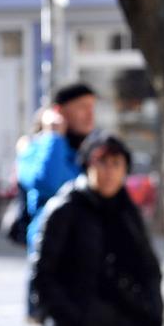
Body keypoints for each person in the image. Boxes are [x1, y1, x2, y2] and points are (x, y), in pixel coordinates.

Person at [28, 133, 162, 326]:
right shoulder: (65, 209)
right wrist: (74, 318)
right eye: (101, 162)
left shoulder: (129, 212)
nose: (108, 171)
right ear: (87, 165)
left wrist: (149, 313)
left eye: (116, 163)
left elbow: (149, 270)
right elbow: (43, 275)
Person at [15, 83, 98, 245]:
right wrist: (54, 136)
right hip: (51, 248)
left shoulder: (89, 150)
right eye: (82, 107)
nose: (90, 115)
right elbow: (48, 183)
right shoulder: (33, 148)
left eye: (92, 107)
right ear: (58, 112)